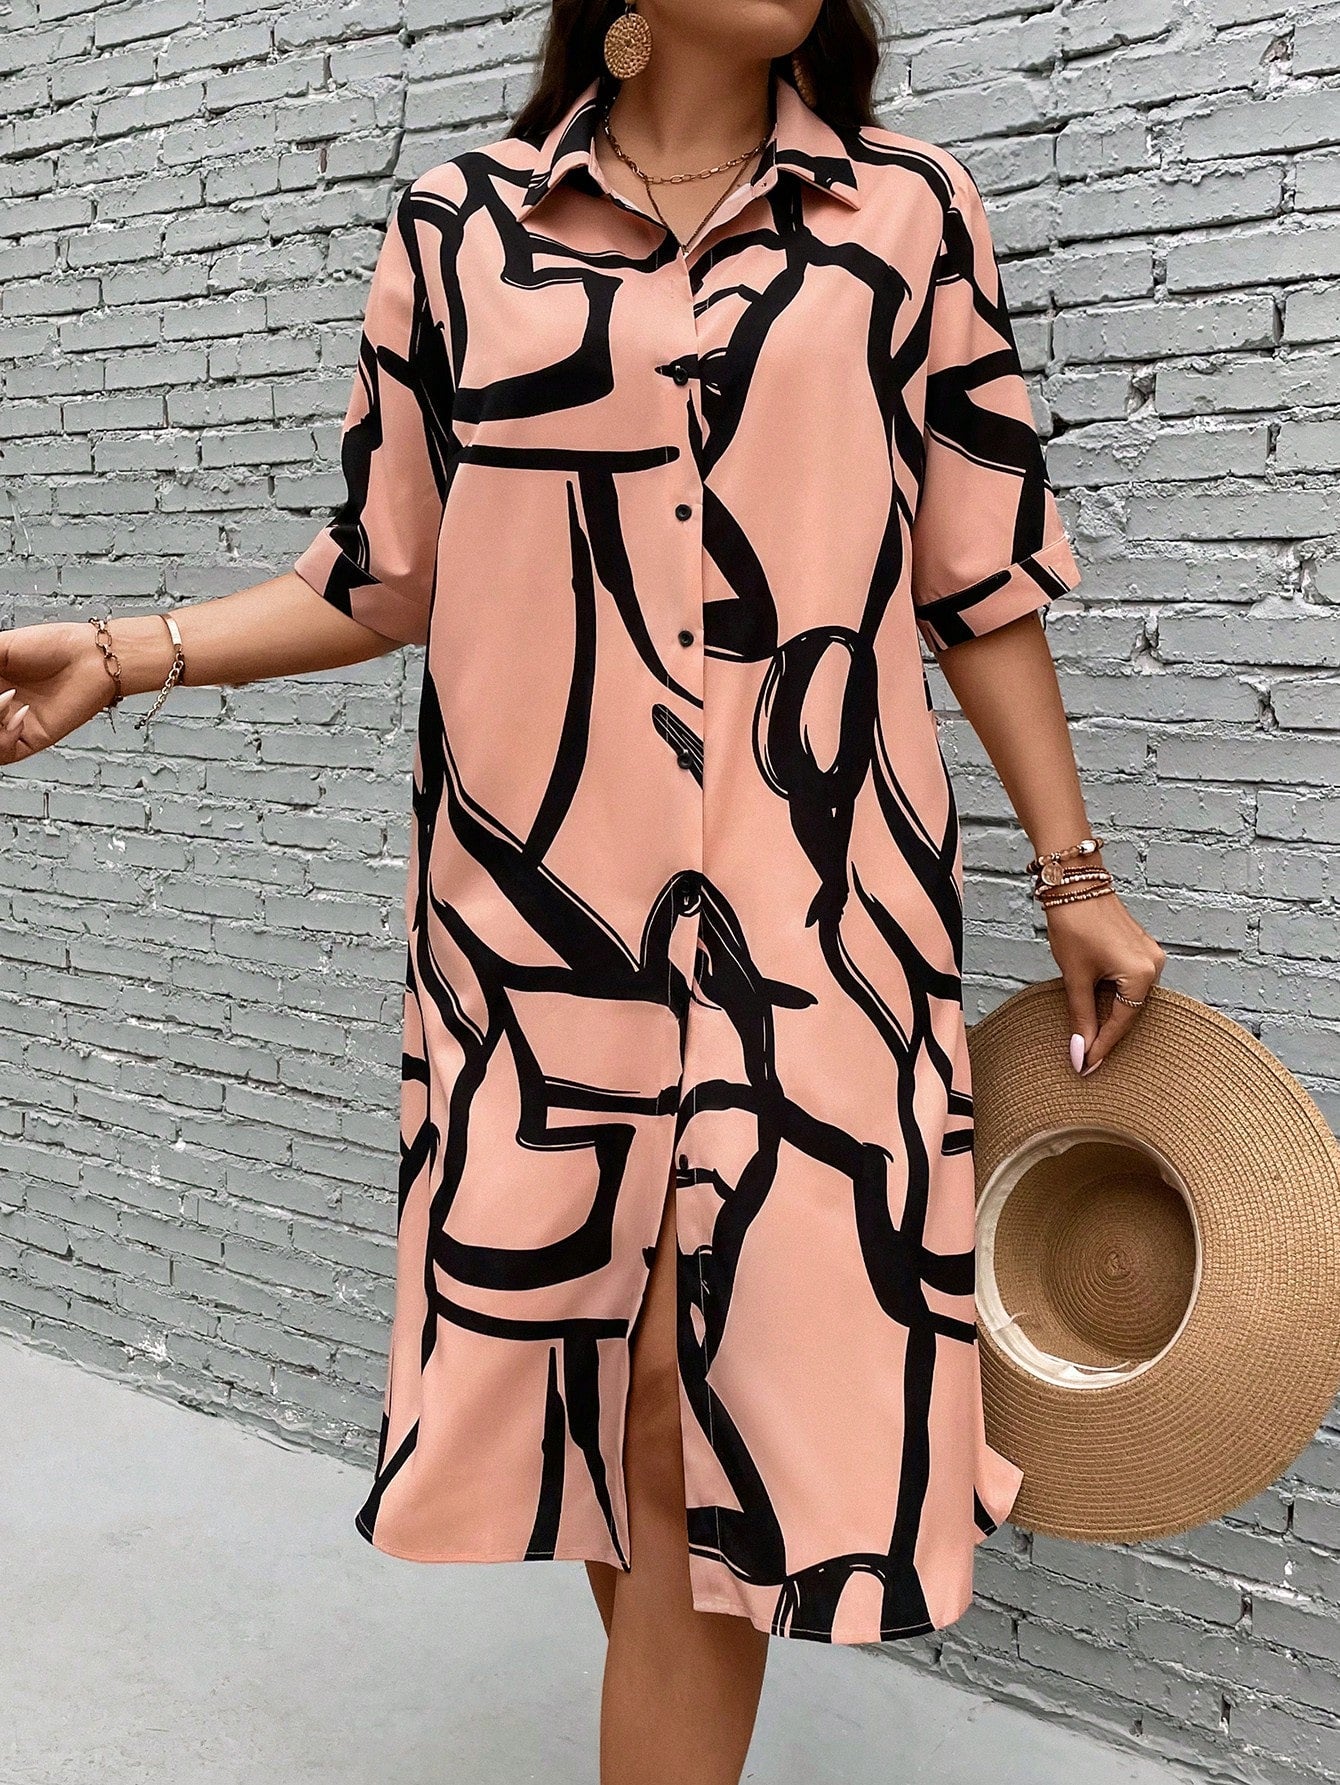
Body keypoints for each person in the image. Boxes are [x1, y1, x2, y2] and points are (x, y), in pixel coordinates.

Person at [0, 2, 1167, 1781]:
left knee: (720, 1406)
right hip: (537, 925)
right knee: (627, 1402)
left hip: (821, 917)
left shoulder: (908, 212)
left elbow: (978, 571)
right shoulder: (460, 225)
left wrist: (1072, 872)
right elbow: (382, 571)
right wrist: (122, 648)